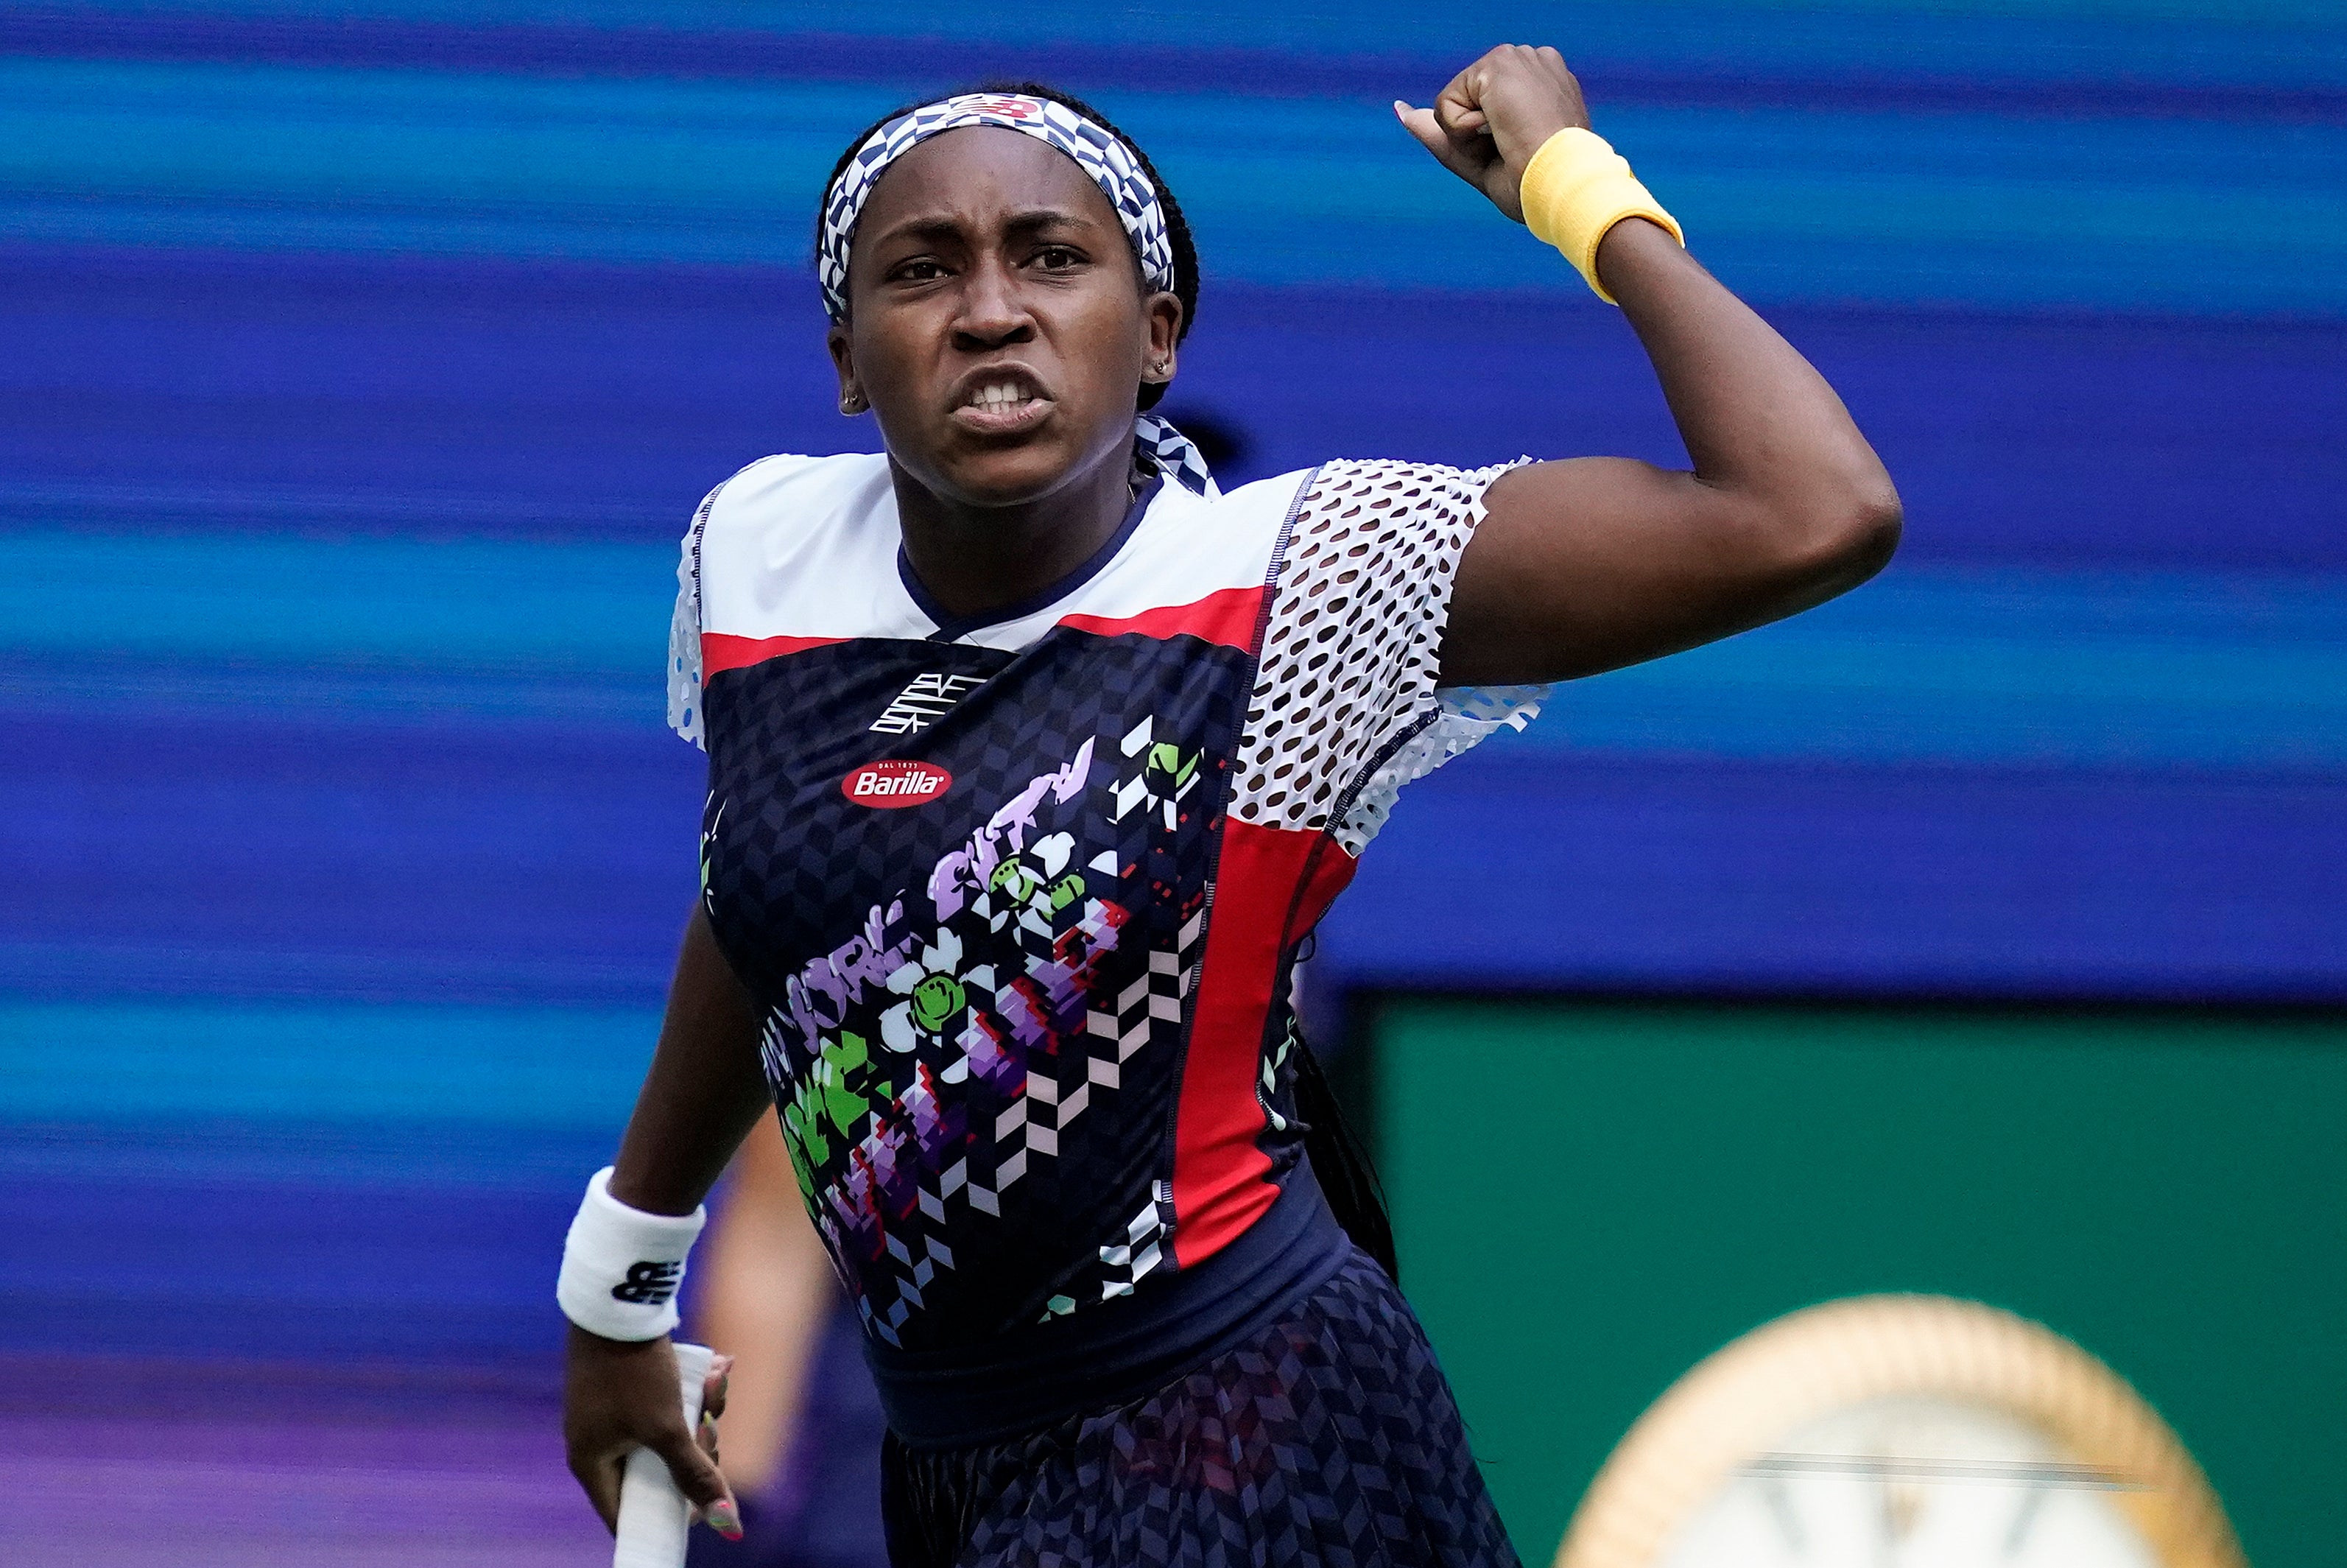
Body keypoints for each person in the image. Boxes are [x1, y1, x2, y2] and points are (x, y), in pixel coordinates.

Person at [558, 44, 1900, 1568]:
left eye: (1052, 259)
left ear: (1157, 336)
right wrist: (617, 1286)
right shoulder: (759, 552)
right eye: (921, 270)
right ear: (846, 357)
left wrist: (1576, 193)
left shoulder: (1302, 587)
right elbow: (776, 903)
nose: (990, 309)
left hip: (1244, 1437)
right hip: (944, 1457)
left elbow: (1813, 509)